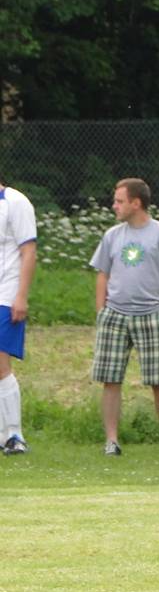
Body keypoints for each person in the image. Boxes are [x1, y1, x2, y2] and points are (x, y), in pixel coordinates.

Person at [89, 178, 159, 456]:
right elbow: (102, 273)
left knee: (158, 379)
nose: (114, 206)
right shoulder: (112, 235)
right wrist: (101, 311)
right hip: (115, 315)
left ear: (136, 203)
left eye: (119, 201)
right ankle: (111, 441)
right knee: (110, 379)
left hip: (150, 315)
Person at [0, 178, 37, 455]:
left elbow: (28, 251)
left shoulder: (15, 202)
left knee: (1, 363)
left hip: (6, 295)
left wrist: (21, 296)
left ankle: (14, 434)